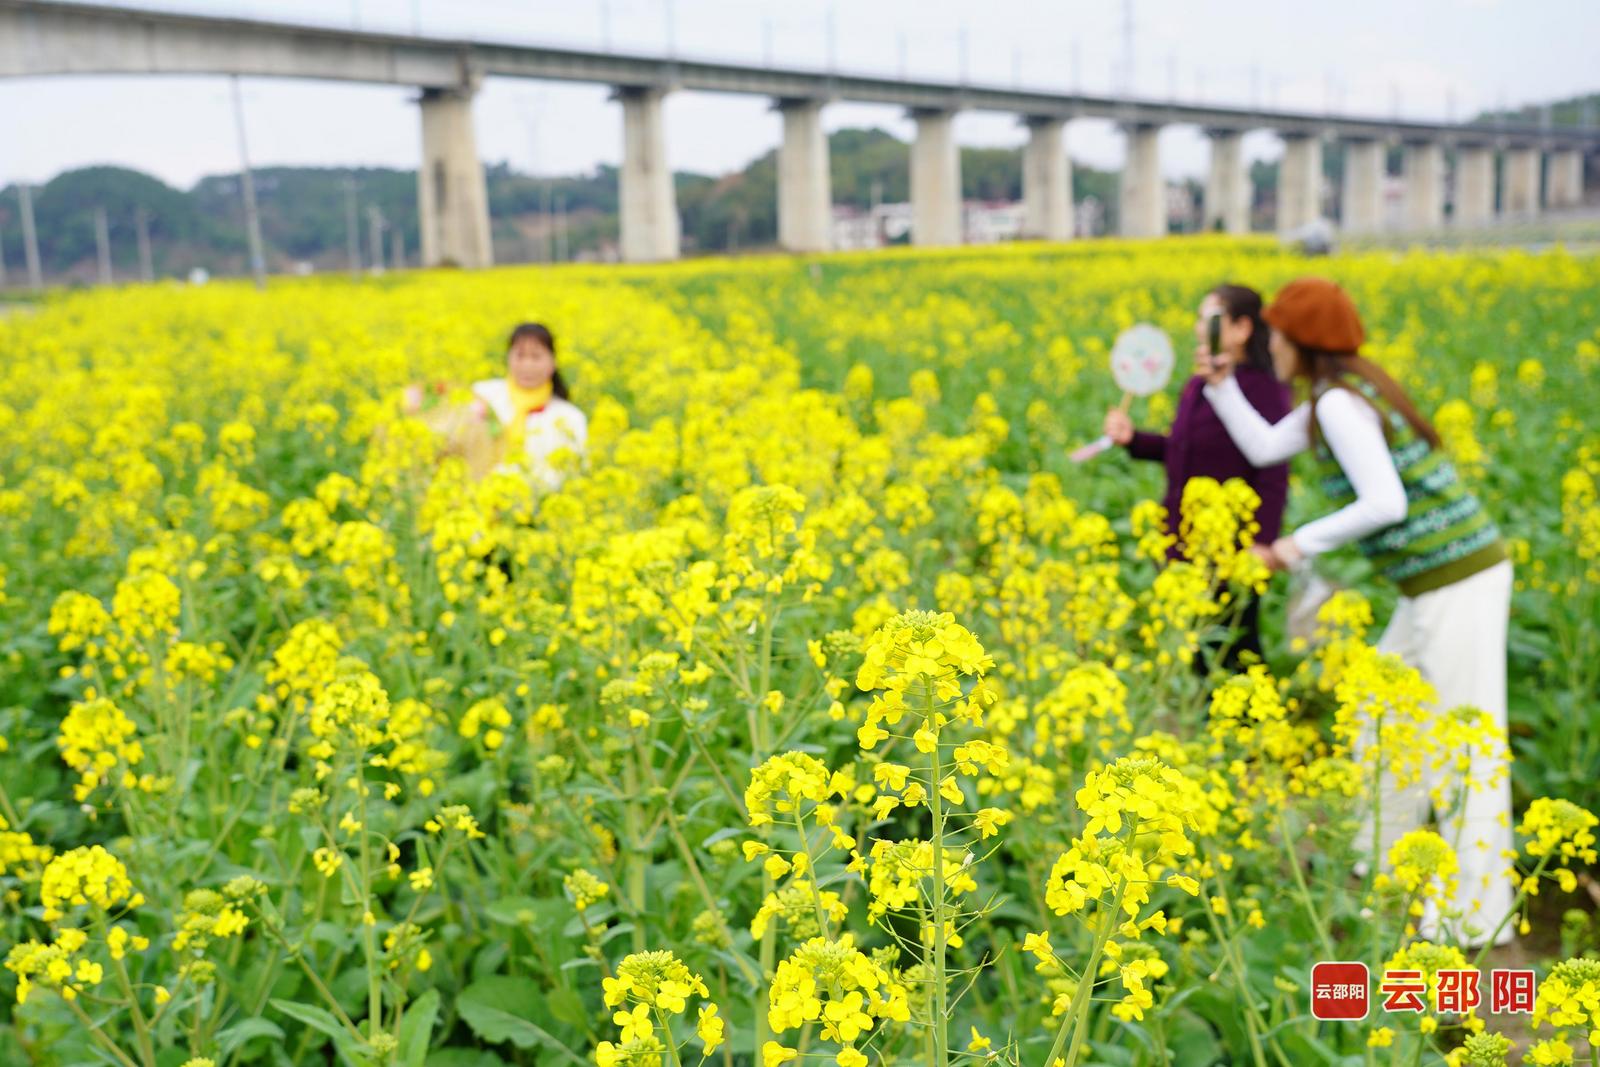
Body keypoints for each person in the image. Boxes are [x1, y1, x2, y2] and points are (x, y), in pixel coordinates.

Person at [1199, 276, 1513, 947]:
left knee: (1465, 744)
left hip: (1459, 579)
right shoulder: (1333, 398)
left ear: (1300, 341)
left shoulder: (1339, 404)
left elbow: (1385, 503)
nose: (1271, 345)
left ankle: (1475, 915)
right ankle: (1384, 869)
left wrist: (1292, 545)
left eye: (1279, 333)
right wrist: (1221, 388)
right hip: (1430, 586)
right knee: (1381, 716)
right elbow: (1263, 447)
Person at [1103, 284, 1292, 669]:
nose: (1198, 328)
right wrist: (1133, 439)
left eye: (1210, 319)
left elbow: (1274, 470)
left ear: (1241, 329)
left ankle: (1249, 707)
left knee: (1233, 644)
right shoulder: (1200, 383)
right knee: (1194, 645)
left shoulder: (1264, 389)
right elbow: (1182, 448)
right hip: (1185, 535)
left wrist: (1261, 542)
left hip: (1231, 545)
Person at [470, 322, 588, 491]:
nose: (527, 365)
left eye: (536, 357)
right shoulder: (483, 394)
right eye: (520, 356)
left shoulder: (570, 417)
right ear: (508, 358)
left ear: (553, 362)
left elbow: (573, 473)